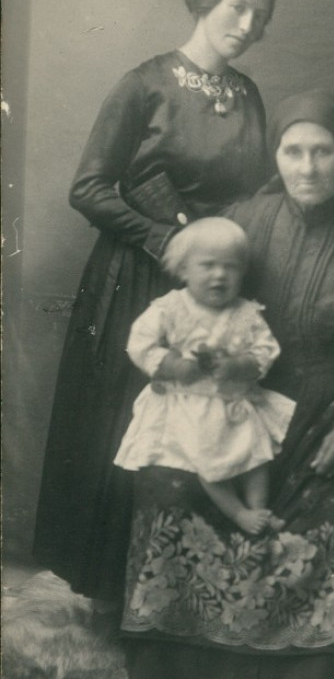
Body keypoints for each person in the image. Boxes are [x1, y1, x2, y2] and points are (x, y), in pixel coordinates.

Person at [120, 91, 334, 679]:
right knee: (164, 484)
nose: (306, 167)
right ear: (275, 154)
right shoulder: (243, 220)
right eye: (292, 150)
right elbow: (191, 293)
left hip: (327, 413)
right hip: (232, 406)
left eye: (323, 151)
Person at [33, 0, 277, 613]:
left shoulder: (249, 96)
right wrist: (164, 237)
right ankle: (117, 595)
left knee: (211, 422)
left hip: (218, 283)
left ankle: (182, 602)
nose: (248, 24)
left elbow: (257, 191)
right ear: (203, 1)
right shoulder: (144, 84)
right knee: (137, 428)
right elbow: (86, 186)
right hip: (141, 278)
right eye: (237, 7)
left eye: (260, 15)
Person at [114, 217, 295, 535]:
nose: (220, 275)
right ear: (183, 270)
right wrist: (171, 365)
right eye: (208, 265)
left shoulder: (245, 312)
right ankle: (238, 513)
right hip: (189, 405)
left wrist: (240, 365)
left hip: (233, 404)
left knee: (257, 456)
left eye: (231, 267)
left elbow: (266, 350)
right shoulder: (170, 309)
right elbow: (139, 344)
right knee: (208, 462)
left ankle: (260, 511)